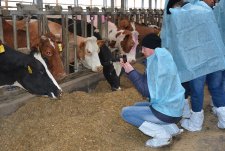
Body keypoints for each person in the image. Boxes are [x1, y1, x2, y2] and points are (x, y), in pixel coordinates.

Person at [120, 33, 185, 148]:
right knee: (137, 105)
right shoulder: (163, 59)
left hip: (167, 112)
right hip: (175, 108)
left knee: (126, 113)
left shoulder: (157, 63)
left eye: (144, 48)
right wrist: (130, 70)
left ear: (151, 48)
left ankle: (162, 135)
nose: (142, 51)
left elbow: (146, 91)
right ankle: (170, 127)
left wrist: (131, 72)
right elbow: (147, 82)